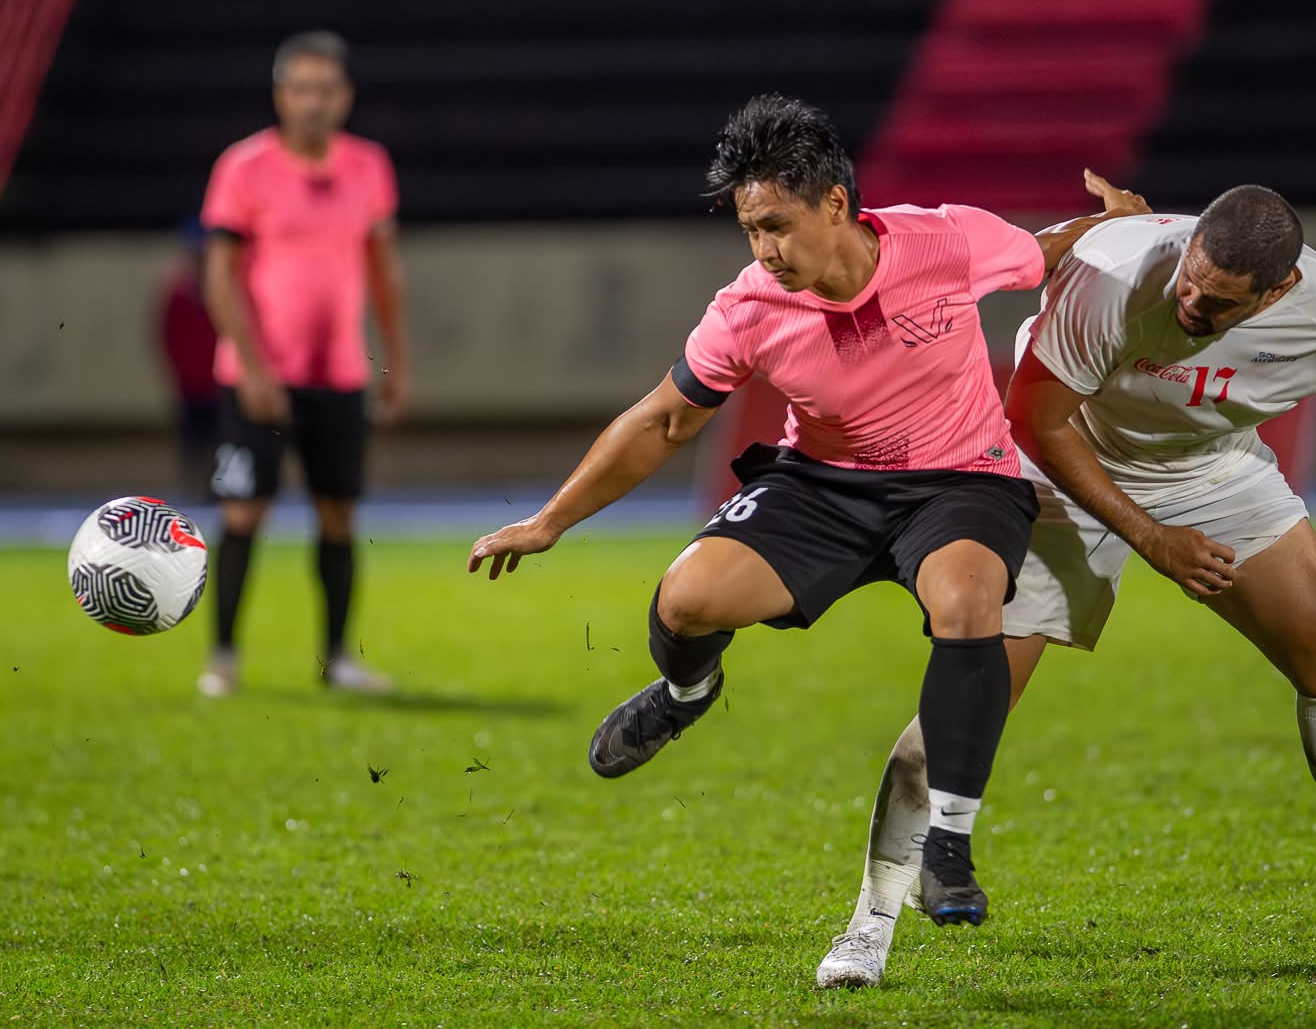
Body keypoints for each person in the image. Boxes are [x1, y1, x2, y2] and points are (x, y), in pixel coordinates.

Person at [818, 184, 1316, 986]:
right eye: (1188, 282)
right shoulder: (1115, 273)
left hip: (1207, 472)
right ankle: (868, 926)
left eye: (1216, 304)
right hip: (1057, 466)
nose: (1189, 305)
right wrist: (1151, 538)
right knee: (970, 690)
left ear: (1276, 291)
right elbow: (1034, 418)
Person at [469, 94, 1144, 926]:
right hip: (822, 486)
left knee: (967, 603)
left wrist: (1113, 223)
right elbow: (663, 421)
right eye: (750, 230)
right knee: (686, 600)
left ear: (834, 203)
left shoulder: (945, 240)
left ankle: (947, 842)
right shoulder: (748, 307)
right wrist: (549, 521)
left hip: (959, 480)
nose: (765, 250)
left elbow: (1040, 251)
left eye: (777, 226)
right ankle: (686, 693)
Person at [195, 30, 412, 697]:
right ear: (280, 96)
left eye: (326, 89)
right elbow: (220, 275)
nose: (314, 102)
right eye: (302, 89)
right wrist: (254, 367)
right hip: (256, 375)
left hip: (339, 373)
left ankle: (336, 659)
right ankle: (223, 659)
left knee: (338, 514)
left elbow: (383, 272)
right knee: (242, 513)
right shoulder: (244, 167)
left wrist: (395, 362)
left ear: (344, 97)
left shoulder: (369, 166)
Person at [158, 218, 220, 499]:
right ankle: (191, 489)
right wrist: (180, 372)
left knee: (219, 441)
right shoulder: (179, 293)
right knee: (193, 441)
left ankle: (214, 488)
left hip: (218, 383)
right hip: (191, 384)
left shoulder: (222, 291)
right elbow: (169, 337)